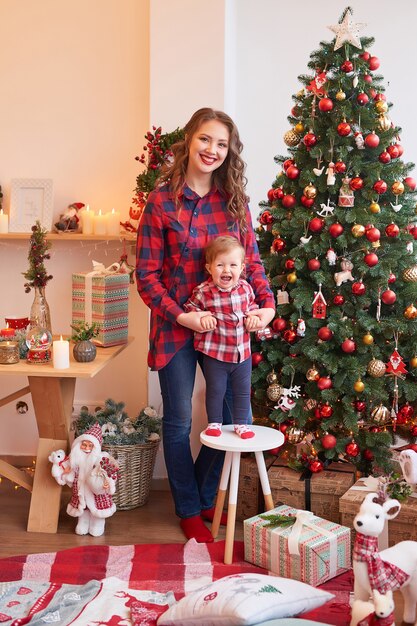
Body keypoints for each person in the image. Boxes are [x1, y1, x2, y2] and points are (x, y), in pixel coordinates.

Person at [136, 107, 275, 543]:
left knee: (231, 419)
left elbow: (251, 262)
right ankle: (189, 508)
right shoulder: (162, 201)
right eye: (205, 140)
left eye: (221, 144)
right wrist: (182, 315)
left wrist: (267, 305)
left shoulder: (234, 203)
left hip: (228, 330)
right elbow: (146, 275)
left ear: (229, 151)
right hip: (177, 324)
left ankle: (200, 493)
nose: (212, 150)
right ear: (189, 141)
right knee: (178, 420)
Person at [184, 235, 261, 439]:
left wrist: (254, 317)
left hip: (242, 354)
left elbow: (252, 307)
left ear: (242, 268)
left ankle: (241, 424)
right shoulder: (204, 291)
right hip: (215, 354)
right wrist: (201, 319)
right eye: (220, 265)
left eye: (233, 265)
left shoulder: (245, 288)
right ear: (209, 268)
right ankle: (214, 423)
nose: (227, 270)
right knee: (216, 390)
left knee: (243, 391)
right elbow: (190, 310)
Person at [51, 423, 119, 537]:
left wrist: (108, 483)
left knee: (96, 509)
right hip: (80, 491)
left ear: (95, 447)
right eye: (84, 445)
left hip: (96, 491)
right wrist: (65, 473)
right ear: (79, 445)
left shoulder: (101, 459)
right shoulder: (76, 459)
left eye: (90, 446)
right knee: (83, 508)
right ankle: (83, 522)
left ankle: (97, 524)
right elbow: (69, 472)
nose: (87, 448)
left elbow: (110, 472)